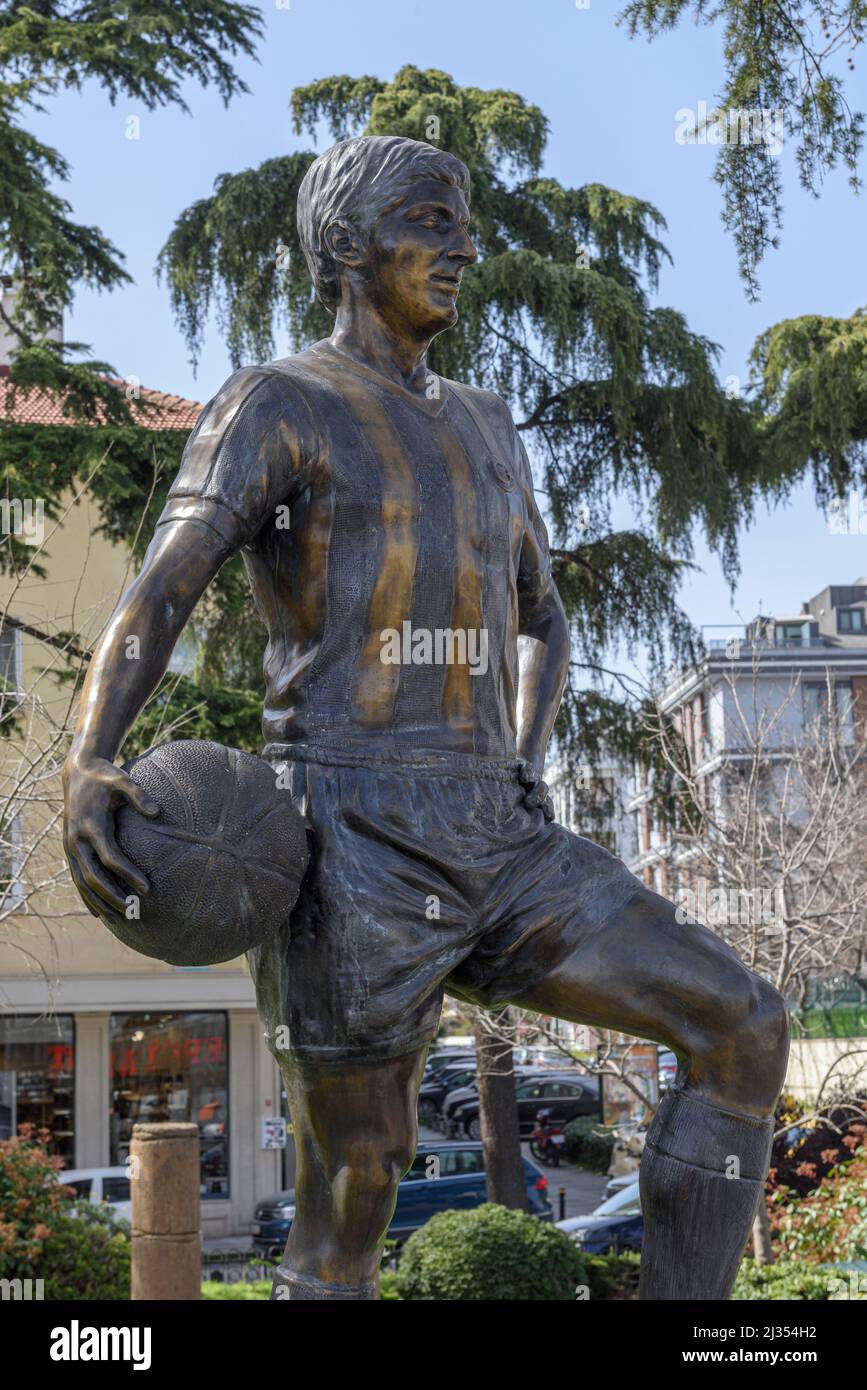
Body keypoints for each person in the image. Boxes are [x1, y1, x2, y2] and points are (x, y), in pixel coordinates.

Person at [63, 134, 789, 1301]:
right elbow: (167, 584)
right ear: (348, 246)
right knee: (353, 1199)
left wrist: (526, 761)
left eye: (465, 221)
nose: (463, 246)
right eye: (431, 220)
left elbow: (543, 617)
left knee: (743, 1022)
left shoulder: (491, 424)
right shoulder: (278, 401)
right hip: (346, 829)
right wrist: (92, 756)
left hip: (498, 829)